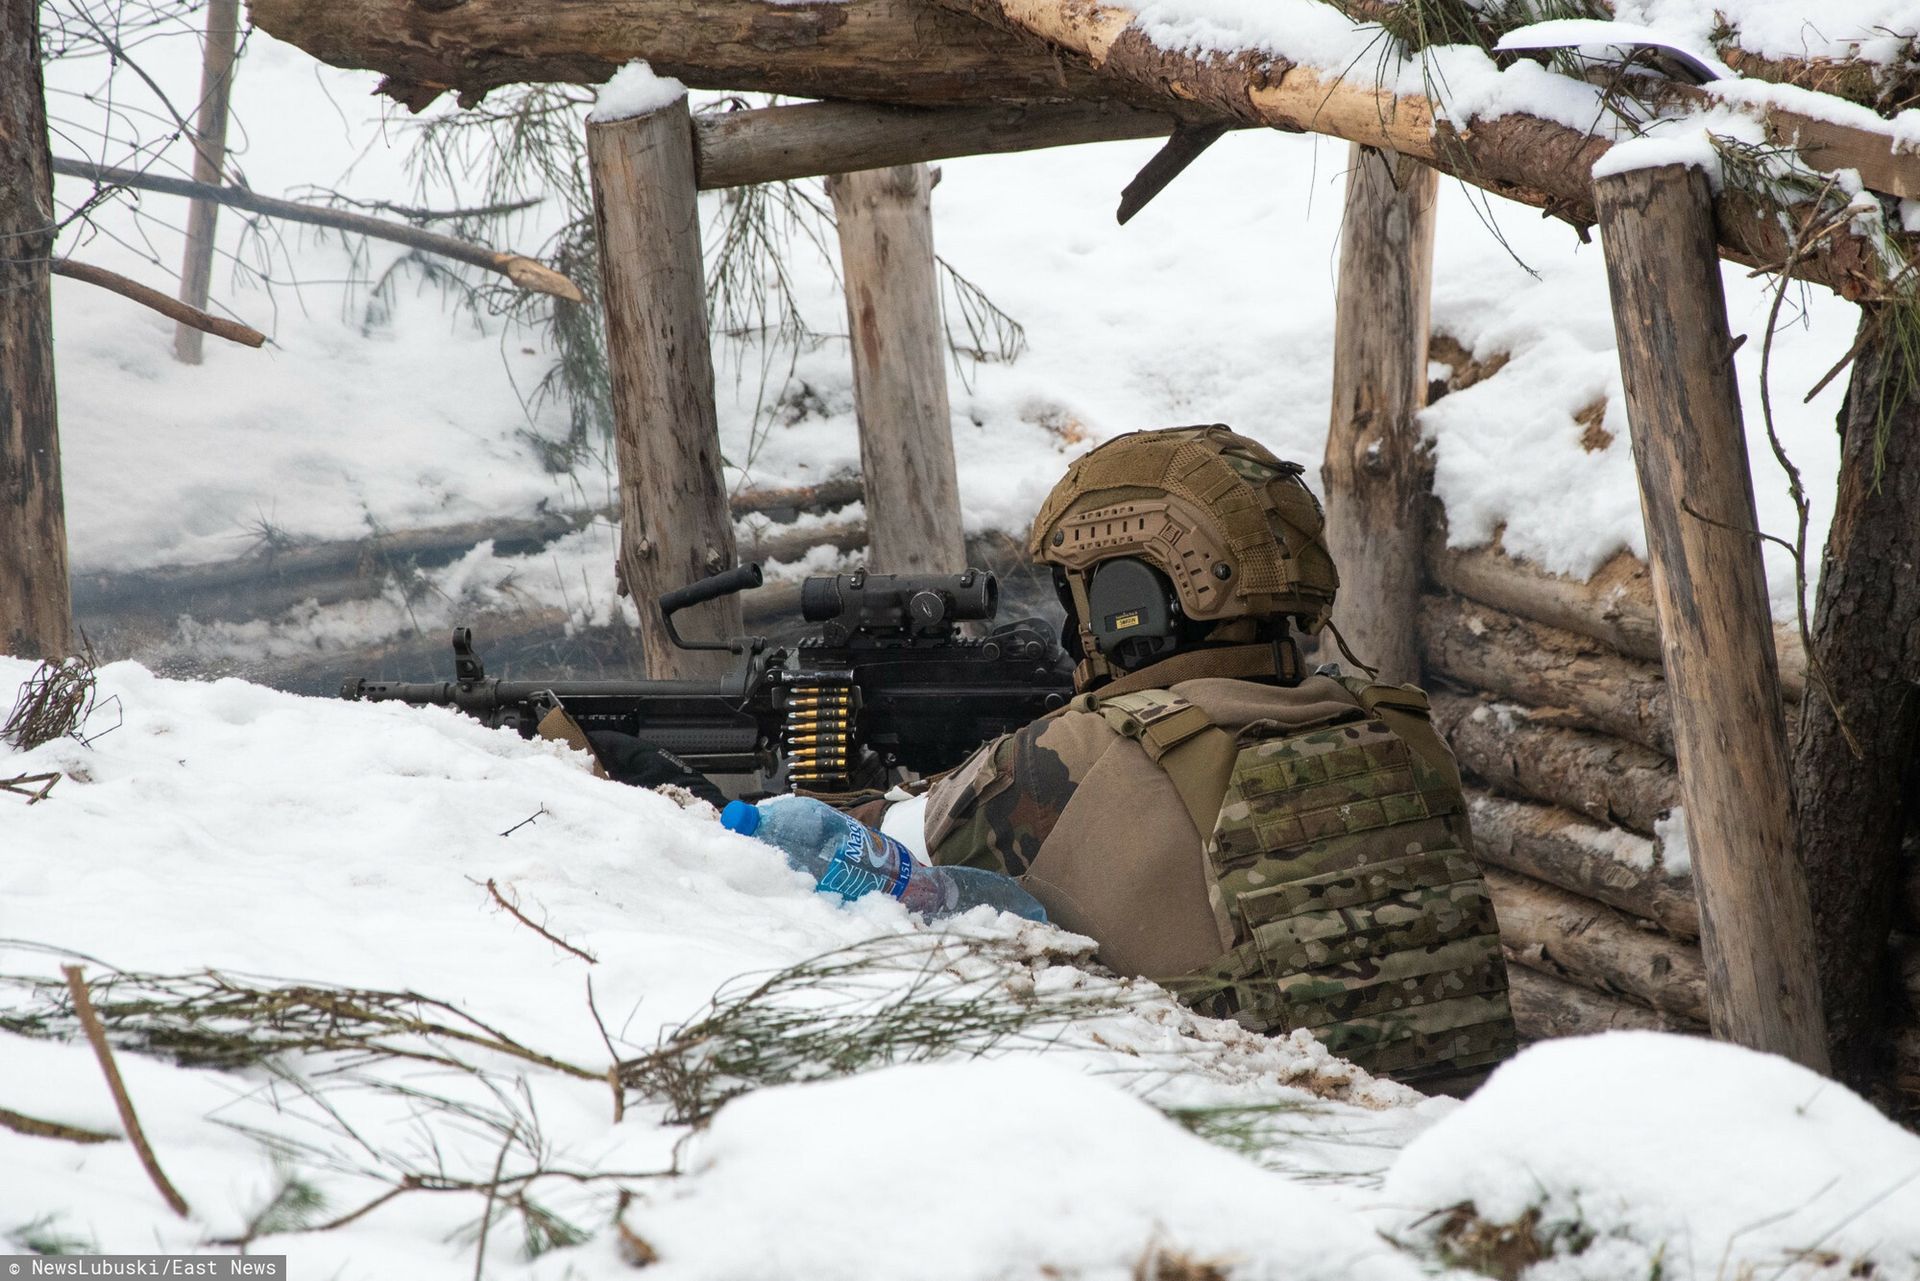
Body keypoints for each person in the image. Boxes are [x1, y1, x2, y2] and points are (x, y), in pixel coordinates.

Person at [897, 425, 1515, 1094]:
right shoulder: (1404, 731)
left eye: (1081, 593)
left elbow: (904, 847)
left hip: (1258, 1169)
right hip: (1451, 1144)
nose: (1076, 632)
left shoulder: (1065, 759)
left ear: (1125, 600)